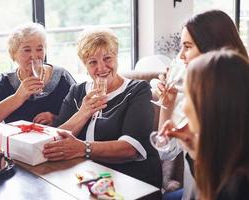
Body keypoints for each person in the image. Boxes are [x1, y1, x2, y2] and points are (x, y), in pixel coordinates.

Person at [42, 28, 162, 187]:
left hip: (132, 182)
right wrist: (83, 113)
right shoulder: (77, 92)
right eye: (92, 62)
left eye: (107, 58)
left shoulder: (137, 90)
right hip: (87, 180)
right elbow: (54, 140)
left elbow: (130, 148)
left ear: (117, 57)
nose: (102, 68)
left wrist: (82, 148)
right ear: (85, 65)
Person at [155, 10, 248, 200]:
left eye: (187, 46)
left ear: (213, 49)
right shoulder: (195, 90)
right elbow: (166, 150)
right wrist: (168, 105)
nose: (181, 56)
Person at [0, 23, 76, 133]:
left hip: (56, 145)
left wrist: (57, 119)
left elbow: (83, 113)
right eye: (27, 50)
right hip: (17, 146)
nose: (34, 55)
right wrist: (18, 97)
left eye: (39, 49)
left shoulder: (62, 76)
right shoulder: (5, 81)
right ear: (13, 54)